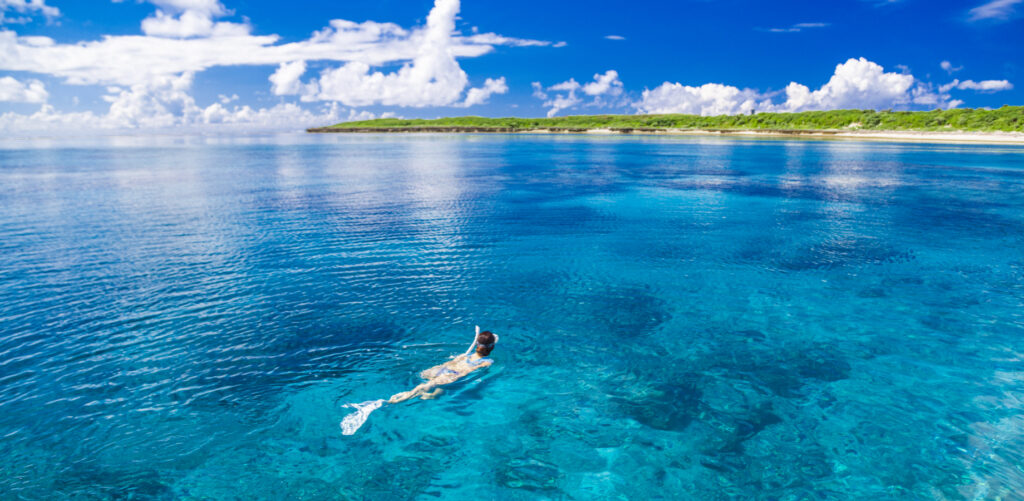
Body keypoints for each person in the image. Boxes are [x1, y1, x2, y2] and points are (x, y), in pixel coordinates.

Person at [388, 330, 498, 404]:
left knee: (435, 385)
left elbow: (452, 362)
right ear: (492, 346)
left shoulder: (466, 355)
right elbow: (469, 370)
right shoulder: (488, 362)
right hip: (453, 375)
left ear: (477, 345)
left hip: (443, 368)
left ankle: (432, 395)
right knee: (426, 386)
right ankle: (404, 397)